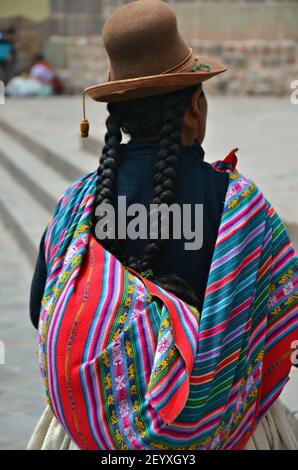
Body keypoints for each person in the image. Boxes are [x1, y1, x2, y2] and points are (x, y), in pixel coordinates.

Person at [28, 0, 298, 450]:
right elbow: (279, 324)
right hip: (221, 429)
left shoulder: (78, 205)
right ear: (195, 107)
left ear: (118, 114)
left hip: (101, 431)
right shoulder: (239, 206)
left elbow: (43, 310)